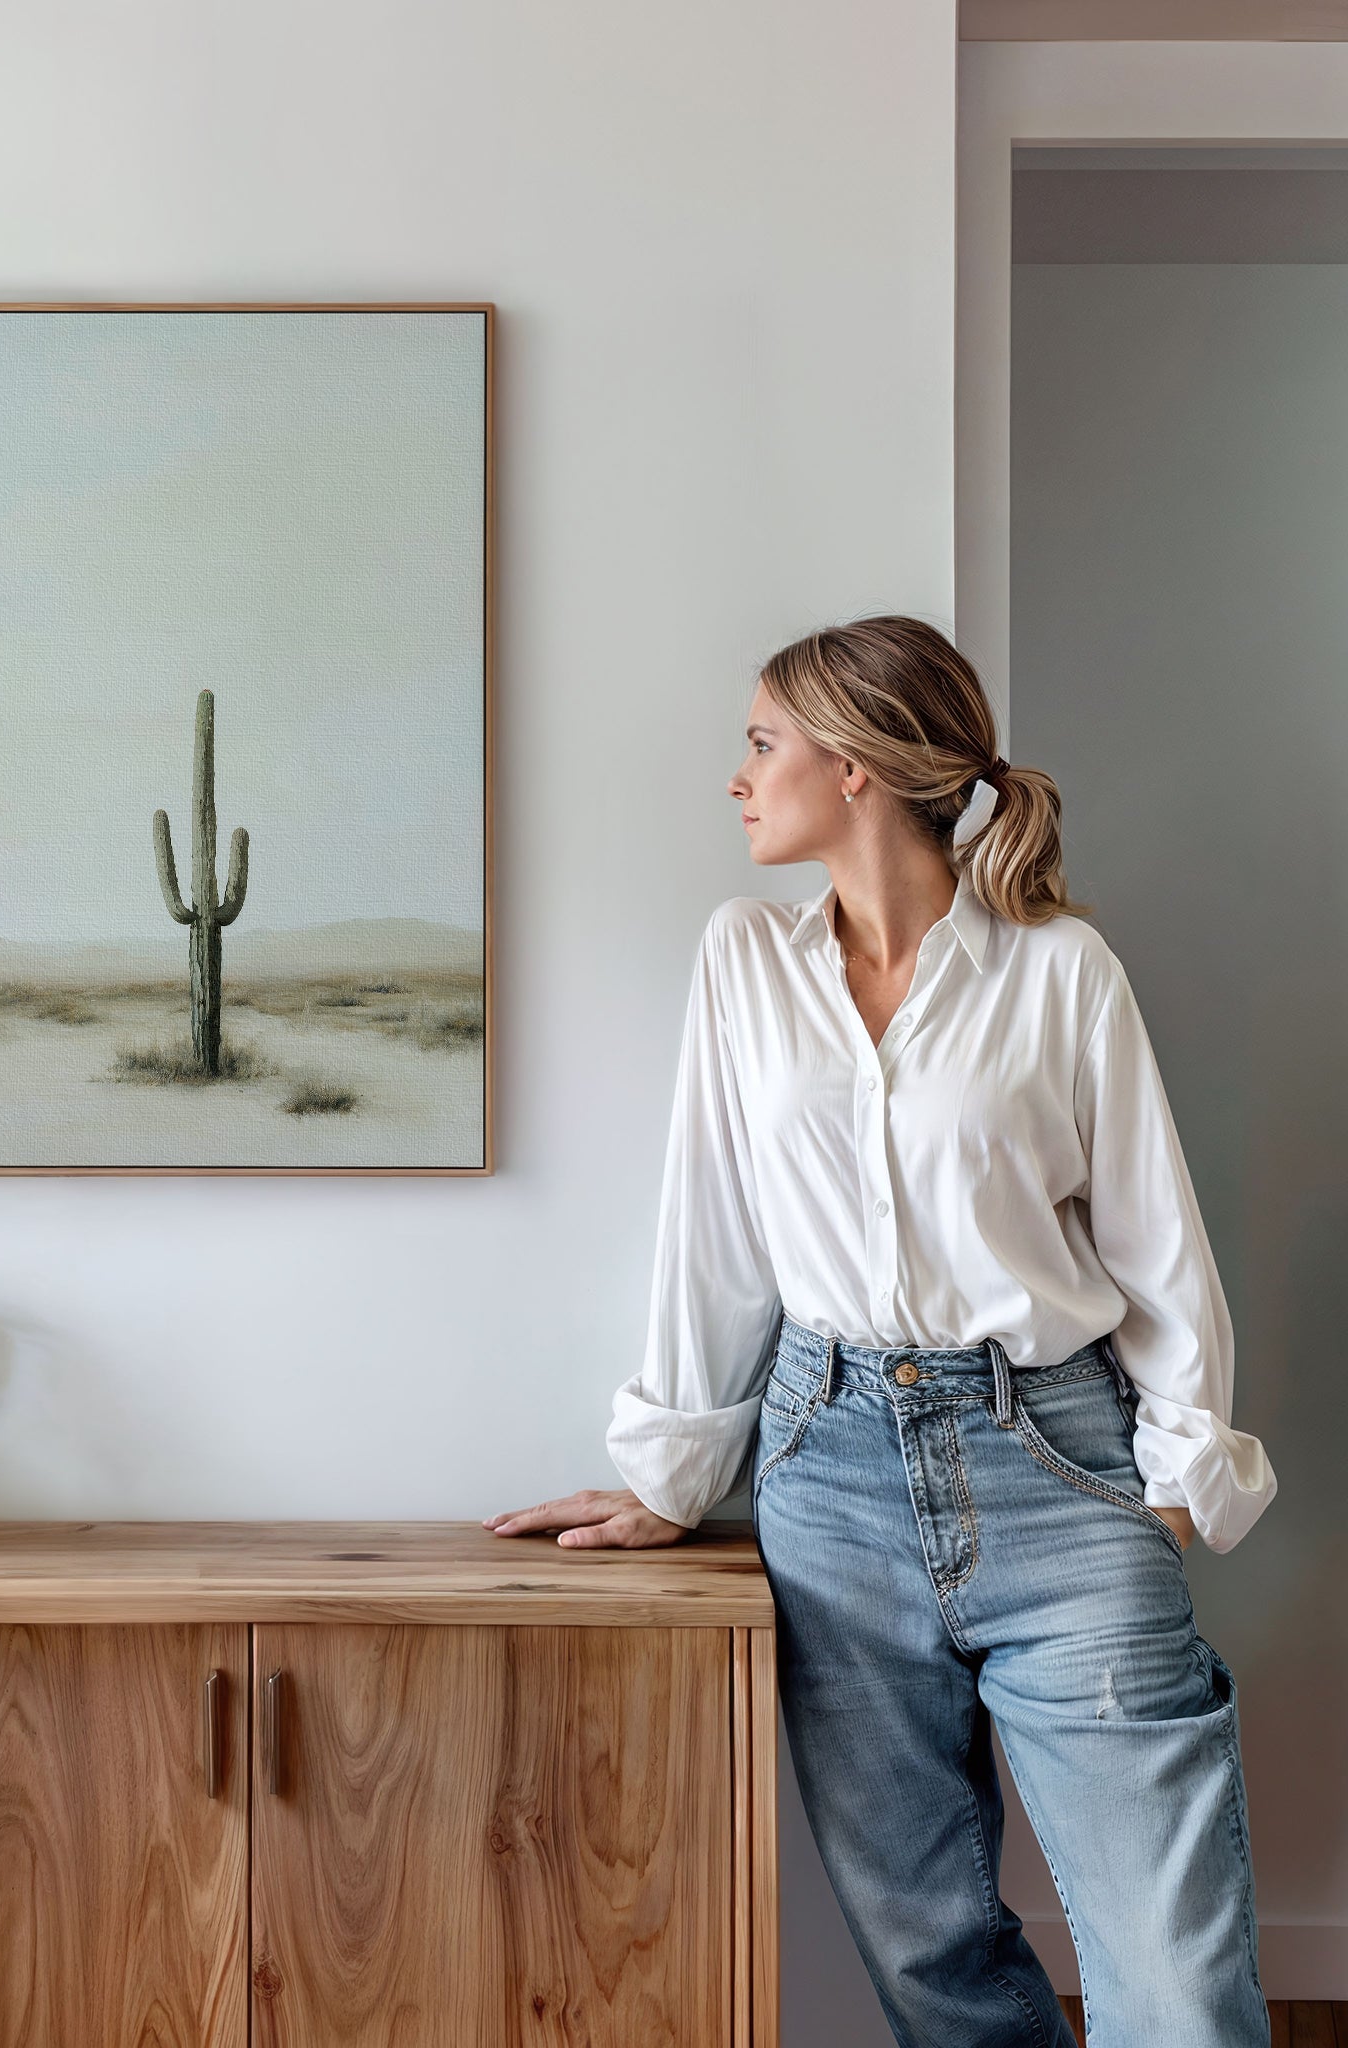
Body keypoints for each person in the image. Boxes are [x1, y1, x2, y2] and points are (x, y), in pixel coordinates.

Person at [484, 616, 1276, 2047]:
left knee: (1174, 1975)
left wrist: (1173, 1479)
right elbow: (710, 1231)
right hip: (828, 1473)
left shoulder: (1059, 972)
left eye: (761, 742)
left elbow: (1158, 1242)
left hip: (1059, 1461)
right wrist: (675, 1474)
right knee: (932, 1960)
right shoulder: (744, 963)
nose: (738, 777)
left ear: (854, 769)